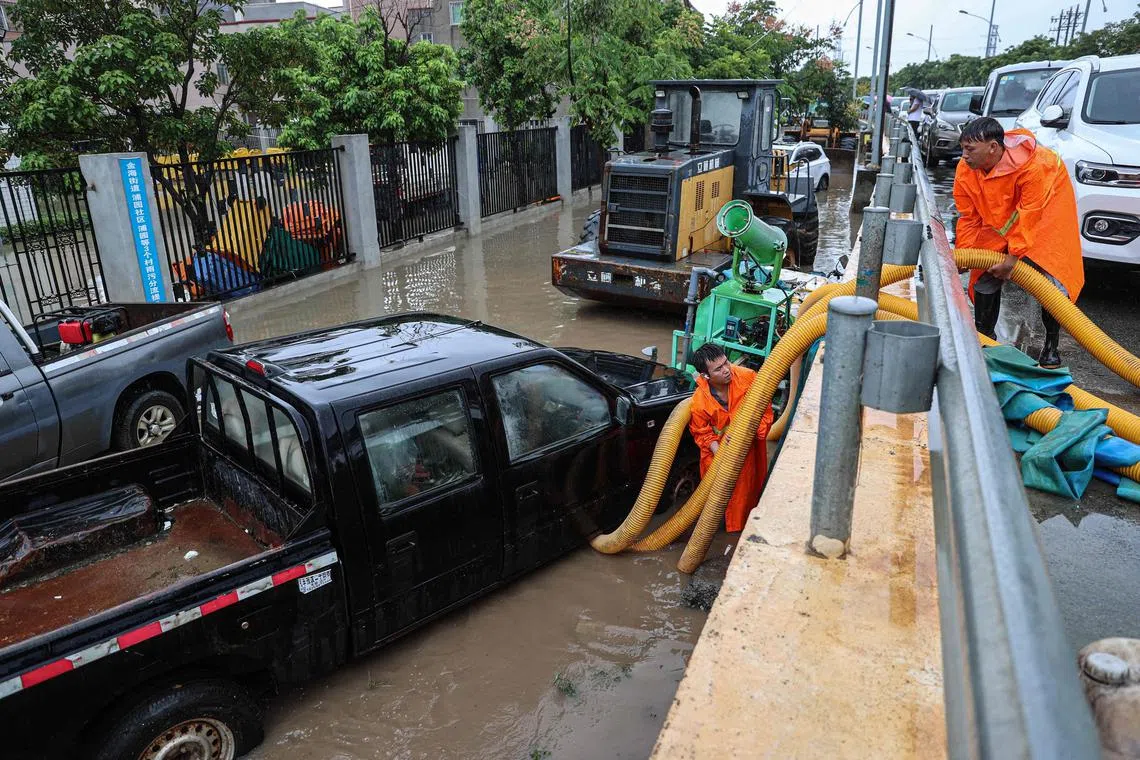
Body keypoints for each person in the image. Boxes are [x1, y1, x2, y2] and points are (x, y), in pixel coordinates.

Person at [953, 116, 1084, 368]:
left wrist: (1012, 259)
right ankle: (984, 340)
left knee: (1051, 278)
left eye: (969, 149)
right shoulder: (966, 169)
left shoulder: (1036, 166)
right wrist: (965, 253)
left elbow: (1030, 212)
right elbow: (969, 215)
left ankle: (1051, 345)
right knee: (984, 276)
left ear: (993, 147)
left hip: (1046, 213)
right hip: (1002, 219)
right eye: (963, 149)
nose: (964, 156)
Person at [688, 343, 774, 533]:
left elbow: (765, 411)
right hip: (716, 456)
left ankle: (739, 532)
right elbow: (701, 432)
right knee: (717, 501)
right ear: (706, 376)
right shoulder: (699, 401)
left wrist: (749, 432)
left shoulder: (748, 378)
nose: (727, 370)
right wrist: (719, 452)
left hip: (747, 452)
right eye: (718, 368)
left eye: (726, 362)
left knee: (746, 496)